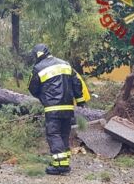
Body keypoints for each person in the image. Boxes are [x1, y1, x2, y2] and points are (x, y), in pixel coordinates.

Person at [28, 44, 89, 175]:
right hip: (68, 107)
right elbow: (77, 83)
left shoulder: (38, 68)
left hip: (52, 107)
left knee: (53, 134)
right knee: (64, 134)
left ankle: (59, 166)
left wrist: (42, 96)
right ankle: (64, 161)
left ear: (37, 55)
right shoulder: (65, 64)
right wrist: (80, 101)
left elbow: (32, 87)